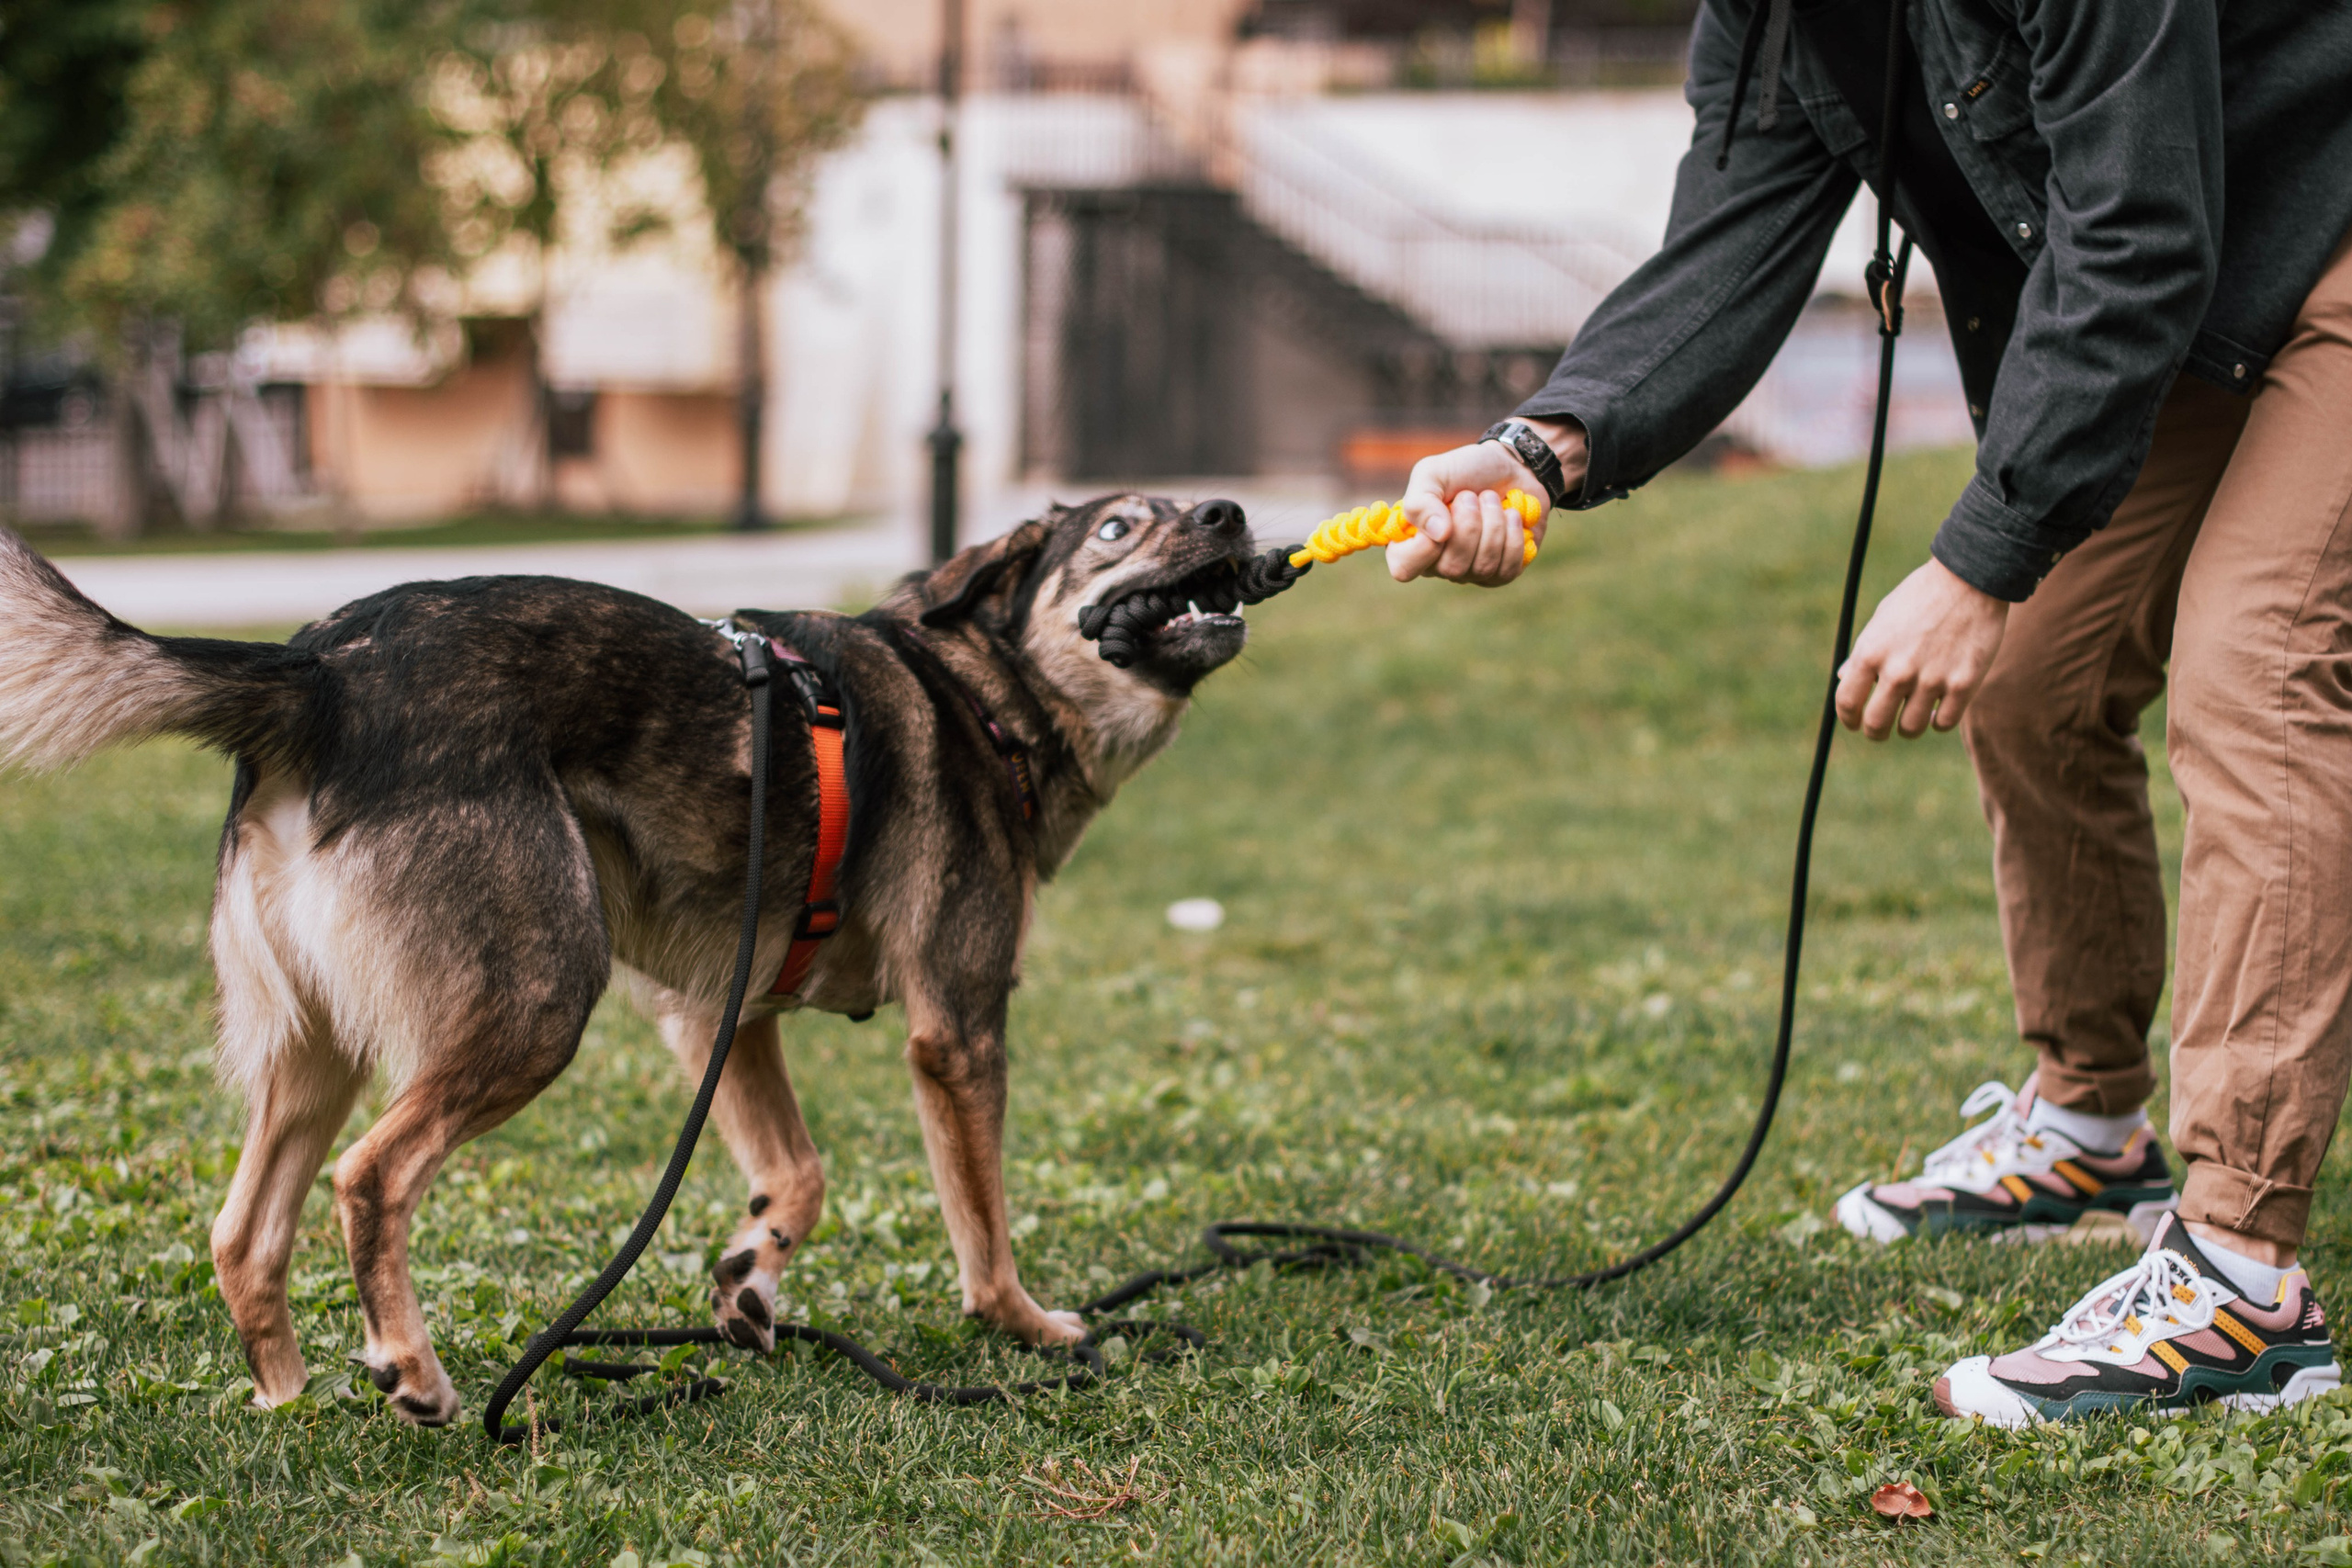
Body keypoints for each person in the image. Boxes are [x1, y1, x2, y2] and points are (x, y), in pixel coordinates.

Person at [1401, 0, 2352, 1425]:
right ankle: (2093, 1122)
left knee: (2257, 667)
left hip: (2323, 226)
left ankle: (2238, 1276)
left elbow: (2136, 233)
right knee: (2038, 681)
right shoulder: (1769, 14)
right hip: (2212, 275)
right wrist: (1543, 448)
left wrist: (1979, 561)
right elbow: (1729, 243)